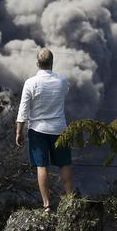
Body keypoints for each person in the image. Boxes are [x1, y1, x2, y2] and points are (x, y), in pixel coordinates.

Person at [15, 48, 74, 211]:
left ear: (37, 63)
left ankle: (47, 205)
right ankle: (71, 200)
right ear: (52, 63)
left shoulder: (30, 83)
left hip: (38, 130)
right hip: (59, 129)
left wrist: (19, 132)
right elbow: (66, 91)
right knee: (64, 164)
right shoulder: (62, 82)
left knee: (42, 166)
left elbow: (23, 110)